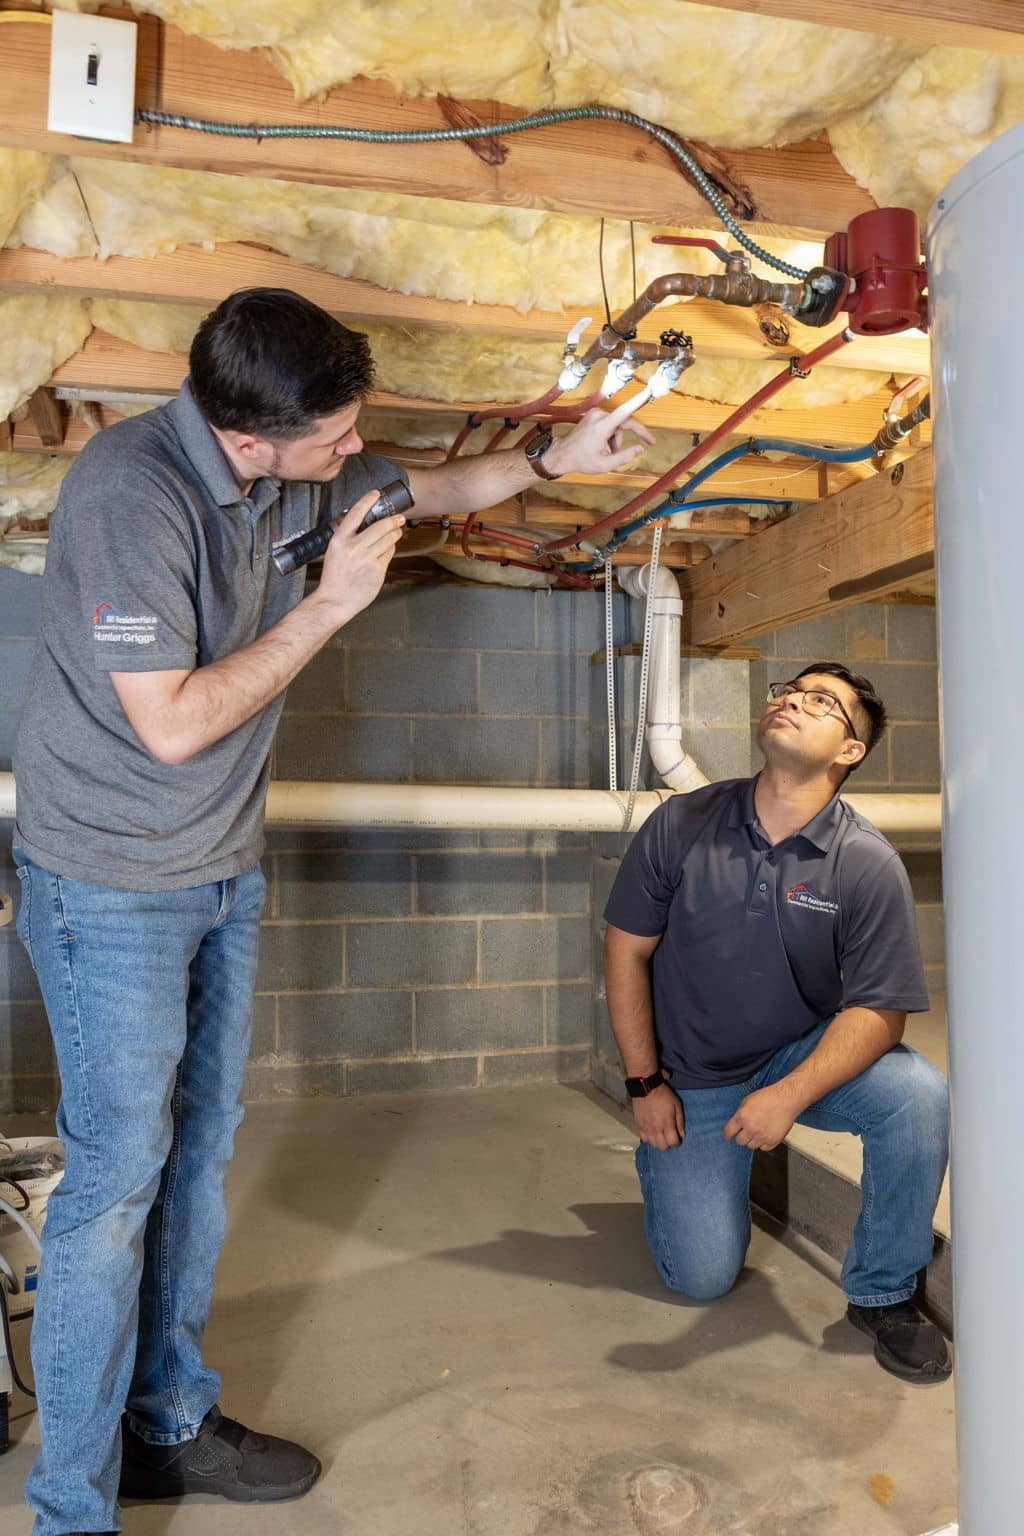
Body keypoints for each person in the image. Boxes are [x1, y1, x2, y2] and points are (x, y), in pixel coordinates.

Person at [10, 287, 654, 1536]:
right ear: (248, 437)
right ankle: (69, 1515)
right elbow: (173, 723)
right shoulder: (129, 492)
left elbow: (429, 487)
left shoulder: (284, 469)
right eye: (336, 436)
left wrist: (552, 458)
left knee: (200, 1149)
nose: (356, 451)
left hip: (218, 868)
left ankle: (168, 1424)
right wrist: (330, 604)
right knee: (115, 1185)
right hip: (110, 883)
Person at [603, 664, 951, 1383]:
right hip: (694, 1073)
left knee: (917, 1095)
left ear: (849, 751)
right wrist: (645, 1084)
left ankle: (884, 1293)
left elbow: (880, 1013)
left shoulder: (865, 862)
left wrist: (787, 1096)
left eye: (821, 701)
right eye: (789, 690)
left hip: (795, 1055)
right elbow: (625, 952)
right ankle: (677, 1168)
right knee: (700, 1279)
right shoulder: (683, 823)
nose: (792, 699)